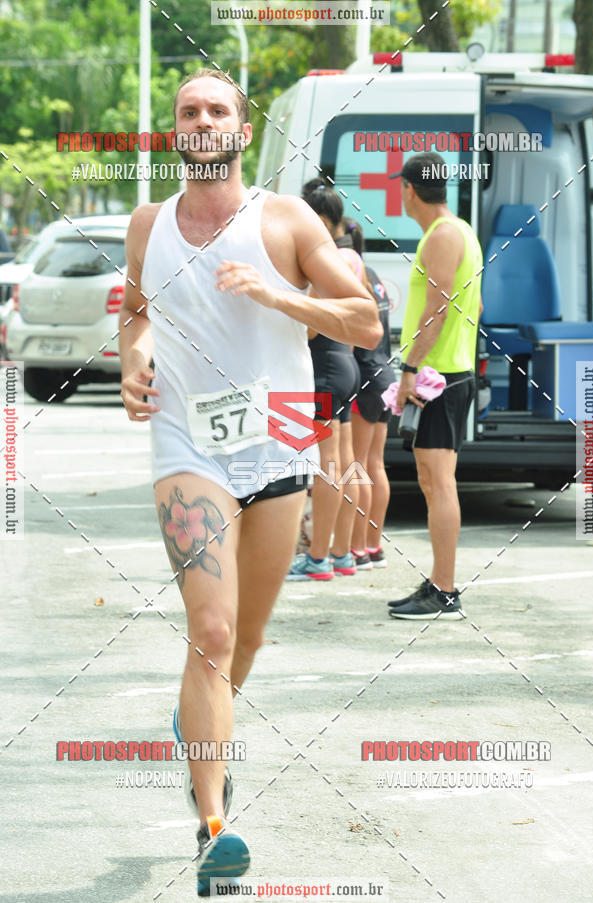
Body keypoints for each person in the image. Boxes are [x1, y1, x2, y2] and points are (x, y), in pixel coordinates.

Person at [119, 68, 382, 894]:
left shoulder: (286, 219)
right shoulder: (148, 225)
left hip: (278, 445)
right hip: (187, 448)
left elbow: (365, 320)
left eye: (217, 110)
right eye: (188, 111)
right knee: (214, 631)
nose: (202, 120)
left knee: (248, 640)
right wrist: (134, 363)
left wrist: (278, 293)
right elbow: (135, 312)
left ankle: (198, 718)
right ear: (176, 131)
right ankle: (214, 823)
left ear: (240, 130)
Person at [386, 151, 483, 620]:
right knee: (432, 481)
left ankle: (445, 590)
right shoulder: (460, 231)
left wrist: (410, 368)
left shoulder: (443, 236)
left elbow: (438, 310)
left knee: (438, 483)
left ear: (409, 189)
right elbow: (475, 308)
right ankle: (439, 581)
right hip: (448, 373)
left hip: (439, 377)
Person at [286, 180, 366, 581]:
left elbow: (312, 326)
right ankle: (342, 553)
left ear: (318, 219)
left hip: (324, 368)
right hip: (346, 364)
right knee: (346, 465)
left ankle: (317, 559)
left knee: (326, 468)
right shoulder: (353, 258)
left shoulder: (327, 261)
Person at [339, 218, 394, 570]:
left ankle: (357, 549)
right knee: (375, 463)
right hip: (385, 375)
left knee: (356, 466)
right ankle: (374, 546)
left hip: (364, 377)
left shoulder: (351, 275)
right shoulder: (373, 275)